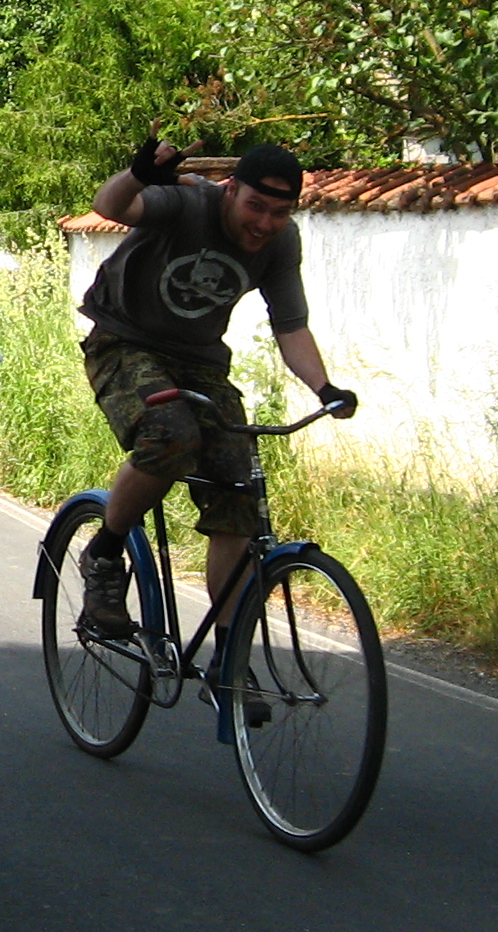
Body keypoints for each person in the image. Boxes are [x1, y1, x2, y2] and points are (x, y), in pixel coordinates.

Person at [74, 135, 356, 639]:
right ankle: (105, 553)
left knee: (238, 490)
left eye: (279, 212)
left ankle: (230, 656)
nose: (264, 223)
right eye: (255, 206)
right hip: (123, 341)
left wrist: (325, 388)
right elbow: (110, 206)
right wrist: (138, 174)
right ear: (230, 191)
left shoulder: (281, 244)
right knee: (171, 434)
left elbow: (291, 327)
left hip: (199, 362)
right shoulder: (187, 205)